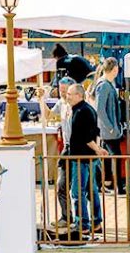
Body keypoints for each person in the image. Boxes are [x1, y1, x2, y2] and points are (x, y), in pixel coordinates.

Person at [66, 83, 108, 233]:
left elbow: (86, 137)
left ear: (79, 95)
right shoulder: (87, 109)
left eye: (70, 94)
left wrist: (98, 149)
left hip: (81, 157)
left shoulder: (81, 112)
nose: (67, 97)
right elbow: (95, 133)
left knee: (77, 192)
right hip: (88, 157)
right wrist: (97, 150)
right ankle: (96, 221)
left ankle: (83, 224)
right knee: (92, 190)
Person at [47, 76, 76, 227]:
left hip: (77, 149)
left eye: (65, 91)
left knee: (84, 188)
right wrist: (40, 100)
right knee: (62, 184)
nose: (63, 93)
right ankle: (67, 216)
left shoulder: (77, 105)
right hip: (67, 148)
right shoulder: (61, 103)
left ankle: (90, 220)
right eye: (61, 90)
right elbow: (48, 115)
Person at [93, 58, 124, 193]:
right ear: (114, 69)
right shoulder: (104, 85)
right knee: (116, 156)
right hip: (108, 130)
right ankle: (118, 186)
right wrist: (110, 126)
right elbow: (100, 109)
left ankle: (105, 183)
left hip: (108, 129)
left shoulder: (105, 84)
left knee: (106, 156)